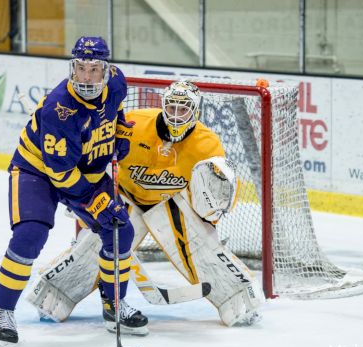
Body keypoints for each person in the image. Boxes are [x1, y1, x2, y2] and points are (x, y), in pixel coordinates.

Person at [26, 80, 264, 331]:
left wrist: (208, 221)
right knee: (98, 244)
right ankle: (53, 294)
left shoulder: (207, 144)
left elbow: (215, 193)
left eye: (183, 109)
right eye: (171, 107)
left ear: (196, 111)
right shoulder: (135, 123)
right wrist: (82, 193)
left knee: (200, 245)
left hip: (168, 202)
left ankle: (237, 299)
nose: (175, 115)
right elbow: (93, 148)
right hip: (125, 196)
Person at [0, 36, 147, 347]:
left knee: (121, 232)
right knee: (30, 235)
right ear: (72, 68)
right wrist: (97, 203)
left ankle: (114, 303)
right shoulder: (60, 109)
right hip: (37, 171)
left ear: (106, 69)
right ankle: (1, 314)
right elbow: (60, 175)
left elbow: (114, 114)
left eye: (94, 69)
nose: (87, 77)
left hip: (84, 170)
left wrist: (122, 134)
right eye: (81, 68)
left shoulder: (116, 84)